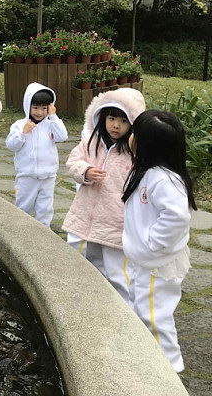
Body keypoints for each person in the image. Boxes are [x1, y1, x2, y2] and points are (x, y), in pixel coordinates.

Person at [122, 110, 196, 373]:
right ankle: (146, 359)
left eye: (135, 133)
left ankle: (169, 369)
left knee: (154, 315)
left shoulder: (163, 179)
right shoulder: (146, 172)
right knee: (140, 307)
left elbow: (177, 217)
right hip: (145, 259)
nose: (130, 137)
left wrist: (153, 243)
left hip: (156, 263)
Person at [63, 88, 146, 303]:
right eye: (111, 118)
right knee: (89, 264)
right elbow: (73, 160)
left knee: (117, 272)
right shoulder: (92, 142)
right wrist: (85, 171)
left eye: (123, 121)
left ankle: (123, 309)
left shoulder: (135, 153)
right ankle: (94, 303)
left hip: (115, 221)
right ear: (102, 118)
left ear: (134, 124)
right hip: (87, 216)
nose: (116, 125)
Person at [5, 83, 68, 226]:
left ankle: (43, 232)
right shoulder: (19, 125)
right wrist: (24, 133)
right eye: (35, 108)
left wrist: (53, 116)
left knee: (45, 208)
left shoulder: (52, 124)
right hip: (26, 175)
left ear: (50, 107)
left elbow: (62, 136)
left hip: (48, 176)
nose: (39, 112)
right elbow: (11, 145)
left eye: (44, 108)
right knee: (23, 206)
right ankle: (21, 230)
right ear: (28, 106)